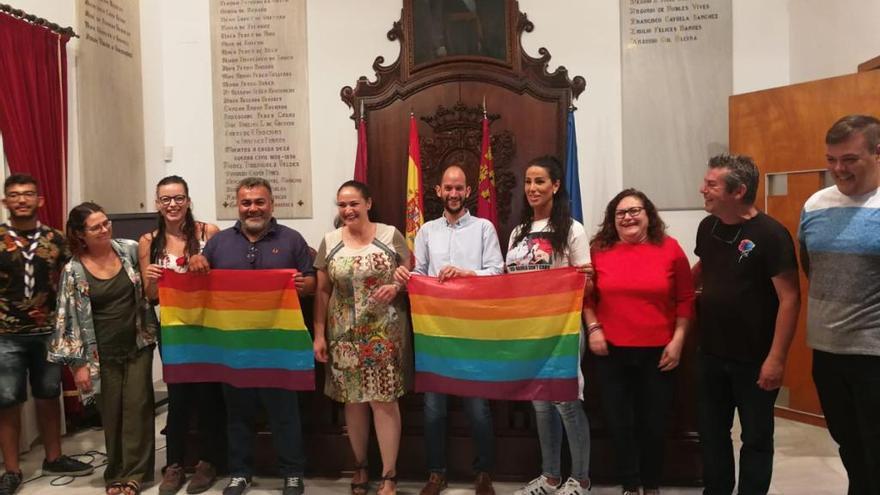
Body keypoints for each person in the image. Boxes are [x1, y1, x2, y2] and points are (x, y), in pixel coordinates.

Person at [197, 177, 315, 495]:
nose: (253, 208)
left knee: (285, 413)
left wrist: (307, 285)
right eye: (246, 202)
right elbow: (201, 278)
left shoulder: (292, 240)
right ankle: (240, 472)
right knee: (238, 414)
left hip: (279, 347)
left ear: (272, 204)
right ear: (237, 206)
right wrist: (198, 262)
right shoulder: (219, 243)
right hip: (236, 348)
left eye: (259, 202)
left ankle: (293, 472)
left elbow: (313, 280)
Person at [693, 154, 800, 495]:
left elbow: (790, 298)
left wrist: (777, 358)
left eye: (711, 185)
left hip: (754, 359)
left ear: (737, 191)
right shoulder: (707, 227)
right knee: (711, 434)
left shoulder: (771, 234)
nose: (702, 190)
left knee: (755, 438)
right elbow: (703, 268)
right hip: (710, 353)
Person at [394, 165, 504, 495]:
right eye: (448, 188)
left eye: (459, 188)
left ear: (468, 191)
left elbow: (498, 272)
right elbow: (422, 274)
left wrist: (467, 274)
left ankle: (484, 472)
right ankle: (435, 473)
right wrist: (406, 277)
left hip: (474, 330)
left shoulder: (484, 228)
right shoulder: (426, 231)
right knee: (433, 408)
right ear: (438, 192)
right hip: (436, 331)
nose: (453, 194)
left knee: (478, 408)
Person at [585, 189, 695, 495]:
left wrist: (678, 341)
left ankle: (651, 484)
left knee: (654, 423)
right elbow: (586, 297)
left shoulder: (670, 249)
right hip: (611, 352)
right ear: (612, 220)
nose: (628, 217)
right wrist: (593, 329)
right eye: (621, 213)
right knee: (620, 424)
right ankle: (630, 484)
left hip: (659, 353)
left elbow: (685, 299)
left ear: (648, 215)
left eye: (635, 210)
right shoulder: (598, 250)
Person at [49, 202, 159, 495]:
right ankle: (116, 473)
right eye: (96, 226)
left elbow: (151, 285)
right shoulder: (73, 270)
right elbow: (67, 319)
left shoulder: (130, 250)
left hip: (137, 343)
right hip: (100, 354)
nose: (105, 229)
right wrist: (78, 365)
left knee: (137, 408)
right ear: (80, 234)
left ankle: (135, 474)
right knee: (112, 414)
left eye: (106, 222)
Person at [799, 114, 880, 494]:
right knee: (850, 446)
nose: (837, 169)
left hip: (874, 354)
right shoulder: (816, 204)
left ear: (877, 153)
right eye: (831, 159)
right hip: (827, 350)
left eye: (849, 159)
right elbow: (810, 266)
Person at [313, 180, 410, 495]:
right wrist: (319, 335)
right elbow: (323, 291)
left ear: (368, 203)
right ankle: (360, 466)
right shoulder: (330, 241)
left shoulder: (390, 236)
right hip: (343, 337)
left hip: (384, 333)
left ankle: (389, 474)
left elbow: (411, 274)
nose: (348, 210)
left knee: (383, 402)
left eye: (354, 203)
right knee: (353, 401)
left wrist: (398, 285)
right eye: (342, 205)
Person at [0, 175, 94, 495]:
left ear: (39, 200)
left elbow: (72, 282)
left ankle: (53, 457)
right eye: (14, 195)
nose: (22, 200)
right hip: (5, 335)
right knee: (7, 400)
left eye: (28, 194)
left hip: (48, 333)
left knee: (48, 395)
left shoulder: (56, 240)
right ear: (5, 202)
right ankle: (11, 470)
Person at [506, 156, 592, 495]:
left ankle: (581, 479)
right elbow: (508, 280)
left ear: (555, 185)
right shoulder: (518, 232)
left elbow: (586, 281)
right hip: (530, 330)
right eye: (528, 182)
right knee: (540, 403)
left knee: (567, 403)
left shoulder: (572, 229)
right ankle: (551, 476)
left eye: (539, 181)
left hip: (563, 328)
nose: (532, 188)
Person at [137, 175, 223, 495]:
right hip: (172, 327)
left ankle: (207, 462)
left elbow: (221, 279)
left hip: (207, 323)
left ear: (187, 200)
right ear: (157, 203)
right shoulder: (149, 241)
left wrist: (207, 264)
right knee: (179, 395)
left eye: (178, 198)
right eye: (165, 199)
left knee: (209, 395)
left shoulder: (207, 232)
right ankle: (174, 464)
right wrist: (150, 278)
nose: (172, 204)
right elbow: (149, 295)